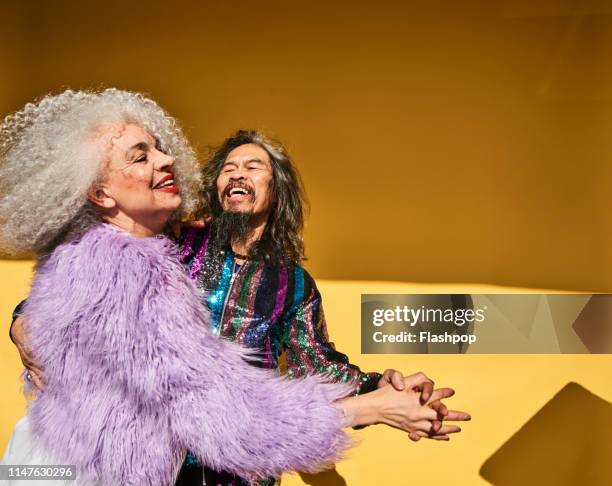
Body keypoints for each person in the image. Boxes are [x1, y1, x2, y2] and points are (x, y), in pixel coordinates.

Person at [0, 89, 466, 485]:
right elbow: (88, 296)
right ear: (218, 185)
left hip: (236, 469)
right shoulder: (165, 242)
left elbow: (316, 363)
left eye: (254, 166)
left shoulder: (293, 284)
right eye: (229, 166)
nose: (239, 172)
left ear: (276, 189)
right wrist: (22, 322)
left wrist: (378, 387)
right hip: (171, 454)